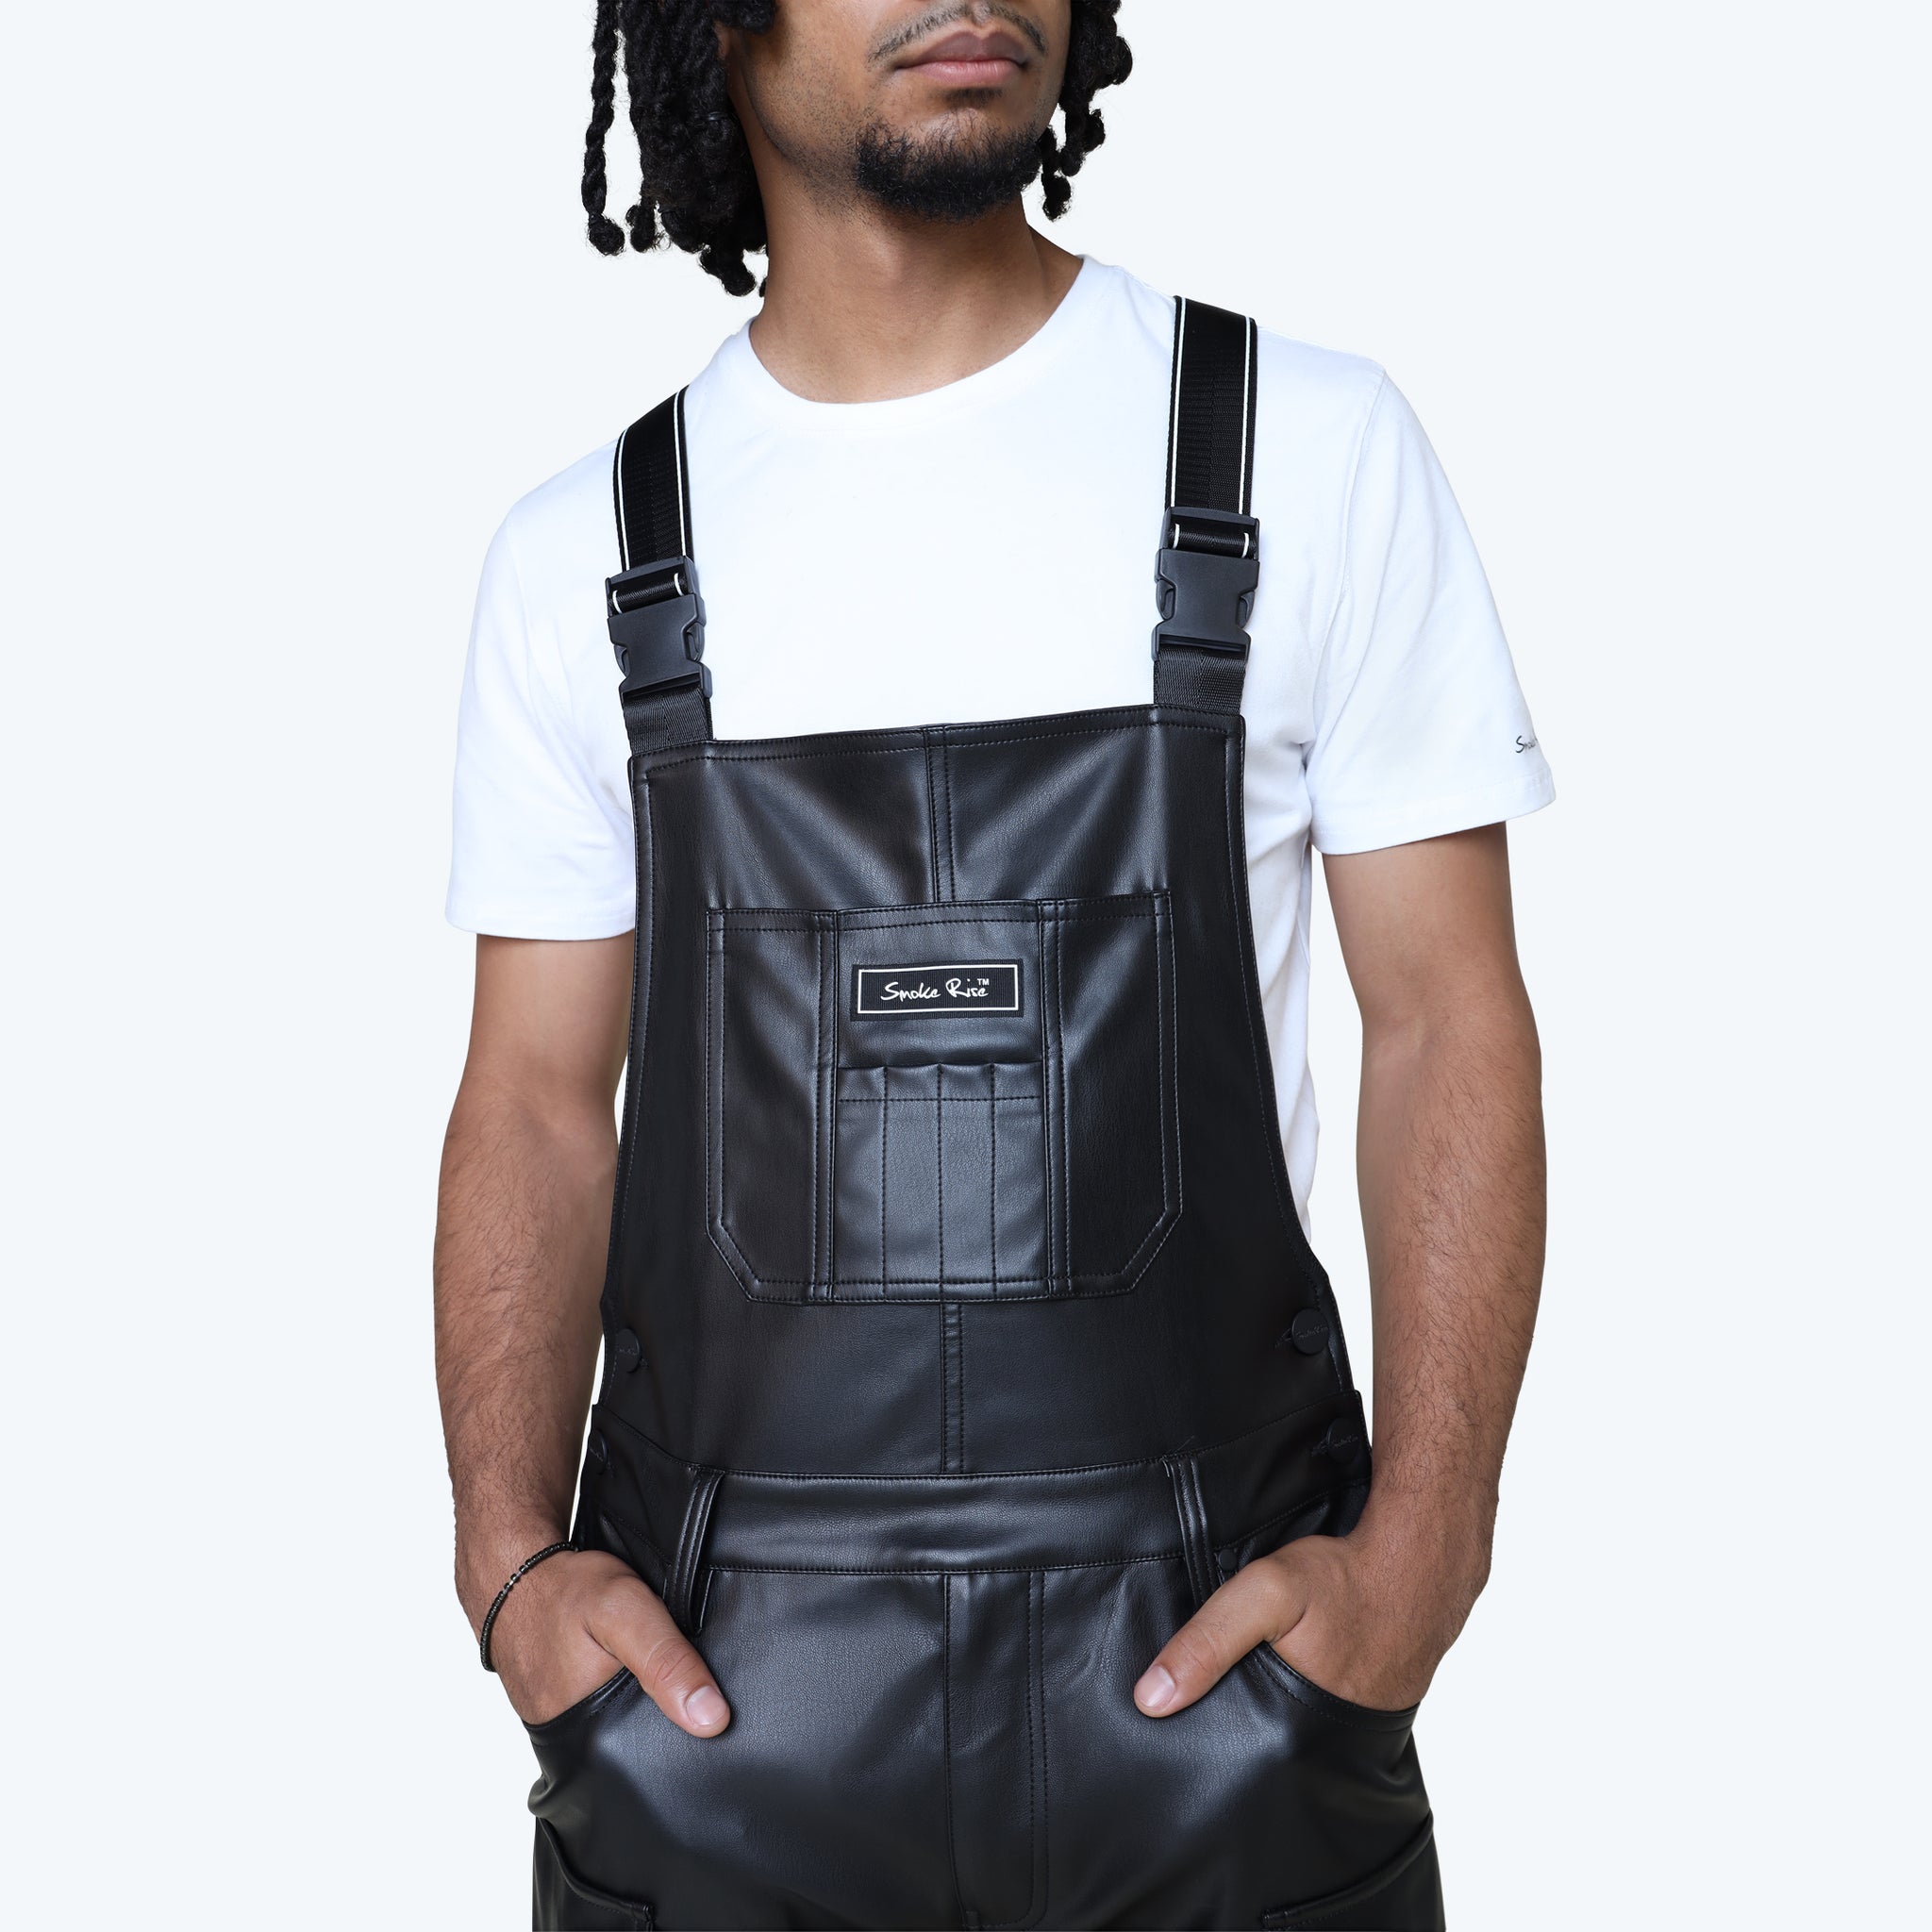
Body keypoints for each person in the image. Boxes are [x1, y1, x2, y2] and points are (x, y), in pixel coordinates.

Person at [435, 4, 1552, 1925]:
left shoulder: (1310, 449)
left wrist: (1422, 1558)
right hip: (715, 1740)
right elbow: (532, 1105)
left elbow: (1449, 1023)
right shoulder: (585, 561)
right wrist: (509, 1568)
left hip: (1229, 1726)